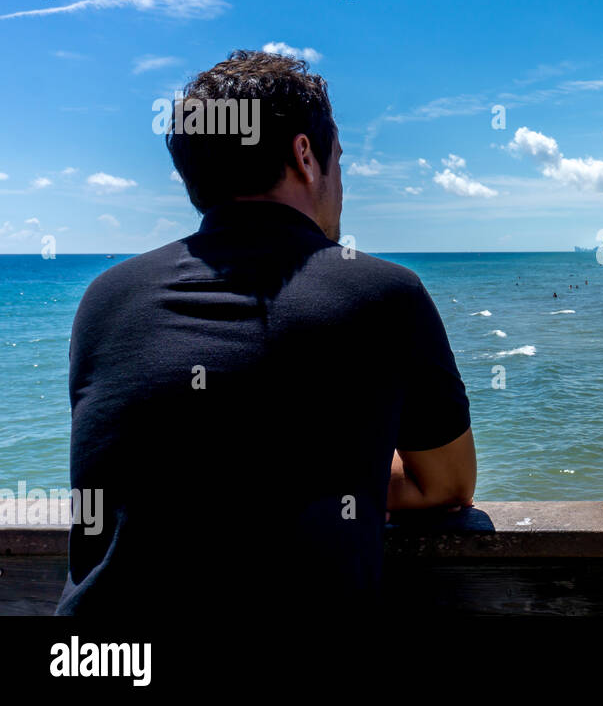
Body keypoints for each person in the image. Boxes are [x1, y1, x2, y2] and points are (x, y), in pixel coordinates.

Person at [56, 51, 476, 617]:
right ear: (306, 156)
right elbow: (445, 486)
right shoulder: (386, 294)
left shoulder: (105, 299)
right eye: (340, 160)